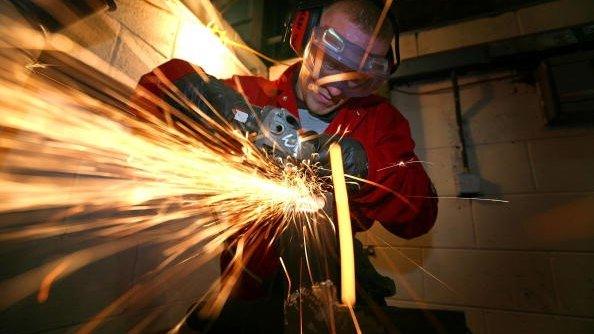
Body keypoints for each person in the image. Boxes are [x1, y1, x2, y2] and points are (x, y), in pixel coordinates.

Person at [132, 0, 438, 331]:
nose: (336, 88)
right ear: (303, 33)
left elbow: (420, 215)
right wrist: (236, 114)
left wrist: (361, 166)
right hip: (249, 286)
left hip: (335, 282)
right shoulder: (253, 94)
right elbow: (157, 86)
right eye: (329, 63)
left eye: (358, 81)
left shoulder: (380, 122)